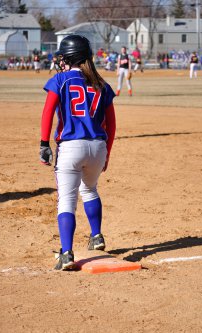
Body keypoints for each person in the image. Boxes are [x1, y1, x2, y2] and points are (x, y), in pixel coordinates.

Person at [40, 35, 116, 271]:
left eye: (63, 57)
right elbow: (111, 125)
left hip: (71, 146)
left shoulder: (60, 79)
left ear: (69, 57)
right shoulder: (101, 83)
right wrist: (107, 154)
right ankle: (96, 236)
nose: (60, 61)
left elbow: (48, 112)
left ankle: (66, 253)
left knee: (67, 199)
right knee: (90, 189)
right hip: (98, 147)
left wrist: (44, 143)